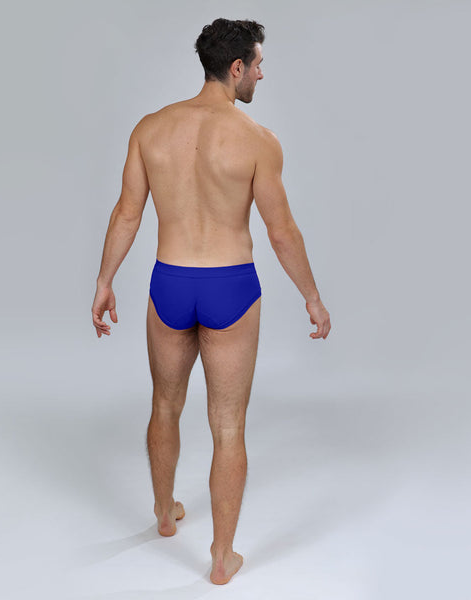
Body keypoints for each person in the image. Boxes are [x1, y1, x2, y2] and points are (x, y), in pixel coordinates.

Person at [91, 17, 331, 585]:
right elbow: (281, 232)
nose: (262, 74)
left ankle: (163, 514)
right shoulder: (257, 140)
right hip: (230, 287)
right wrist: (313, 298)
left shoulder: (151, 129)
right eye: (258, 64)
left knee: (164, 405)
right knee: (228, 427)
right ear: (236, 67)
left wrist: (104, 281)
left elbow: (127, 213)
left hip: (170, 283)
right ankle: (222, 558)